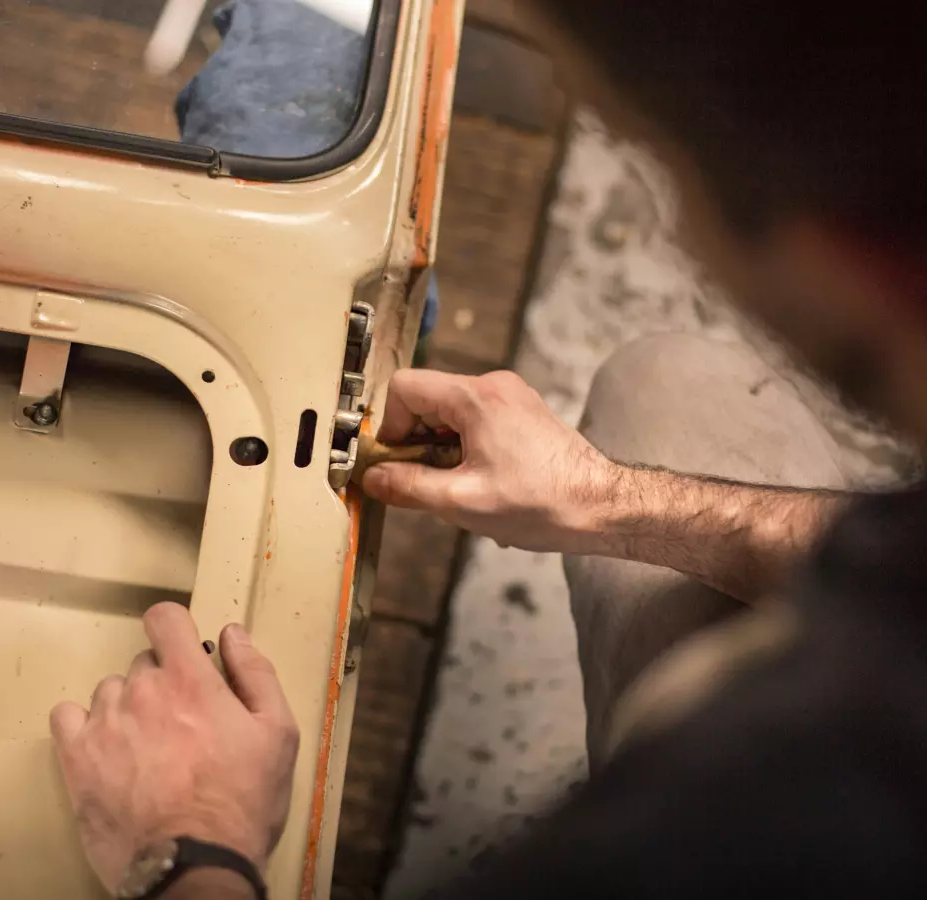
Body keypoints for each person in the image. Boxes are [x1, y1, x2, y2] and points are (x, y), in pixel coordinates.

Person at [49, 2, 927, 897]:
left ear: (846, 253)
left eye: (653, 160)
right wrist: (603, 497)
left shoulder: (705, 837)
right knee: (670, 379)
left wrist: (193, 844)